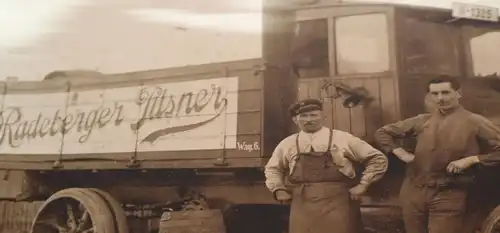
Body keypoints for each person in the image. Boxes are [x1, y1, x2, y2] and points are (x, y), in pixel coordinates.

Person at [374, 75, 500, 233]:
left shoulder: (475, 122)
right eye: (435, 94)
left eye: (446, 92)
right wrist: (400, 153)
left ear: (458, 93)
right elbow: (382, 133)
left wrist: (472, 159)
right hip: (413, 191)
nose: (440, 98)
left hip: (449, 191)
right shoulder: (422, 120)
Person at [264, 98, 389, 233]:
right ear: (295, 120)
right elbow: (273, 169)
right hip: (302, 202)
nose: (309, 120)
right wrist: (278, 188)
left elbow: (377, 158)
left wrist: (363, 184)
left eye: (313, 115)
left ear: (323, 116)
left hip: (338, 202)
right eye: (303, 116)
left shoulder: (342, 138)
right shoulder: (287, 143)